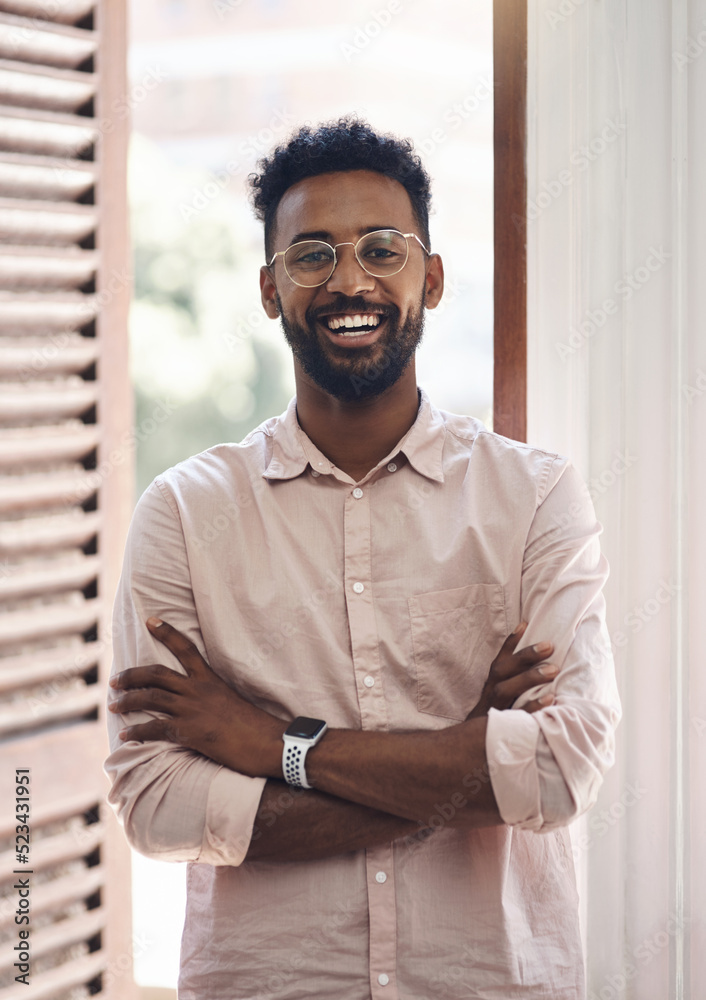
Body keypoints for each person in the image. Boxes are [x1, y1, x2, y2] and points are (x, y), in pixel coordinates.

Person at [105, 117, 621, 1000]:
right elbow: (155, 804)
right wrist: (463, 759)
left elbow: (559, 769)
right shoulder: (185, 514)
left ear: (433, 277)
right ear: (270, 291)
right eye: (311, 256)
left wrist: (272, 745)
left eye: (383, 250)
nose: (350, 279)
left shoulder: (534, 499)